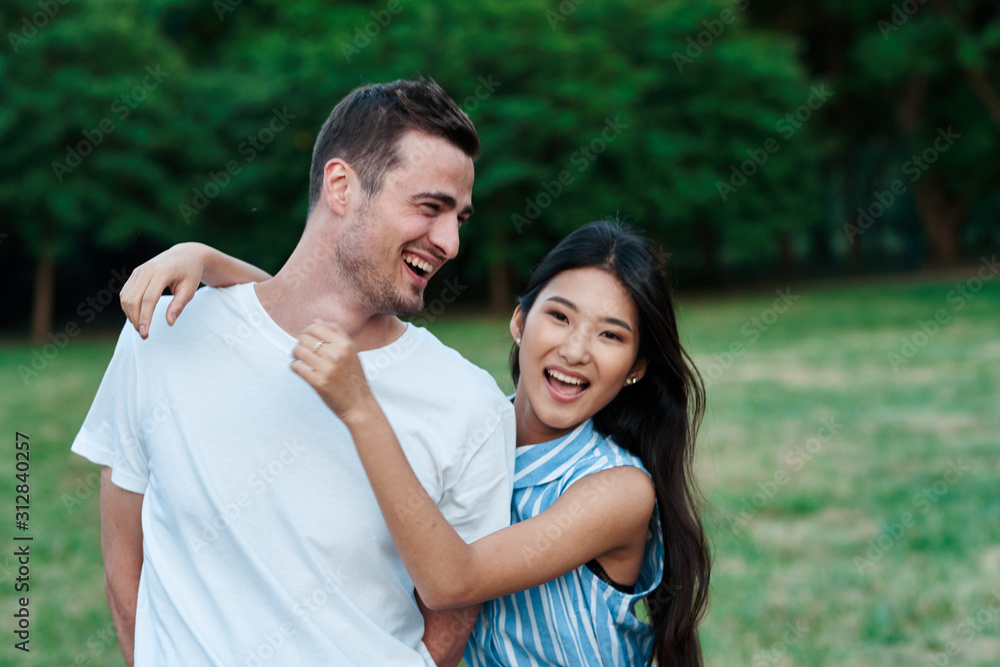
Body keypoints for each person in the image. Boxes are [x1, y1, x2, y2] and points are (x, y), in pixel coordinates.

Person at [72, 78, 517, 667]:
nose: (451, 242)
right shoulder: (167, 332)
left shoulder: (469, 403)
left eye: (459, 217)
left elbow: (452, 622)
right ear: (341, 187)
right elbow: (123, 573)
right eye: (430, 207)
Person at [127, 220, 711, 666]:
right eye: (559, 317)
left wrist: (361, 409)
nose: (576, 349)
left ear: (635, 368)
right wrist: (206, 260)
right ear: (519, 322)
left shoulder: (617, 490)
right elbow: (295, 310)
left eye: (612, 335)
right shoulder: (472, 429)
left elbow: (452, 582)